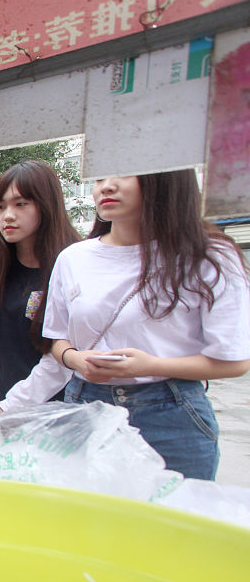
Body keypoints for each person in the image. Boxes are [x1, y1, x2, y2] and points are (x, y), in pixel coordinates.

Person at [43, 170, 250, 479]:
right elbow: (56, 338)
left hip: (172, 413)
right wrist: (76, 359)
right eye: (99, 177)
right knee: (90, 522)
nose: (107, 186)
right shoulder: (74, 258)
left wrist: (151, 365)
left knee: (174, 522)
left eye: (124, 174)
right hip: (86, 407)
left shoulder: (209, 256)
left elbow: (234, 362)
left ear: (165, 179)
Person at [0, 160, 80, 426]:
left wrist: (10, 407)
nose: (7, 215)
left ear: (46, 204)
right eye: (0, 206)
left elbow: (61, 357)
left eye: (20, 204)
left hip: (51, 417)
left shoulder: (72, 266)